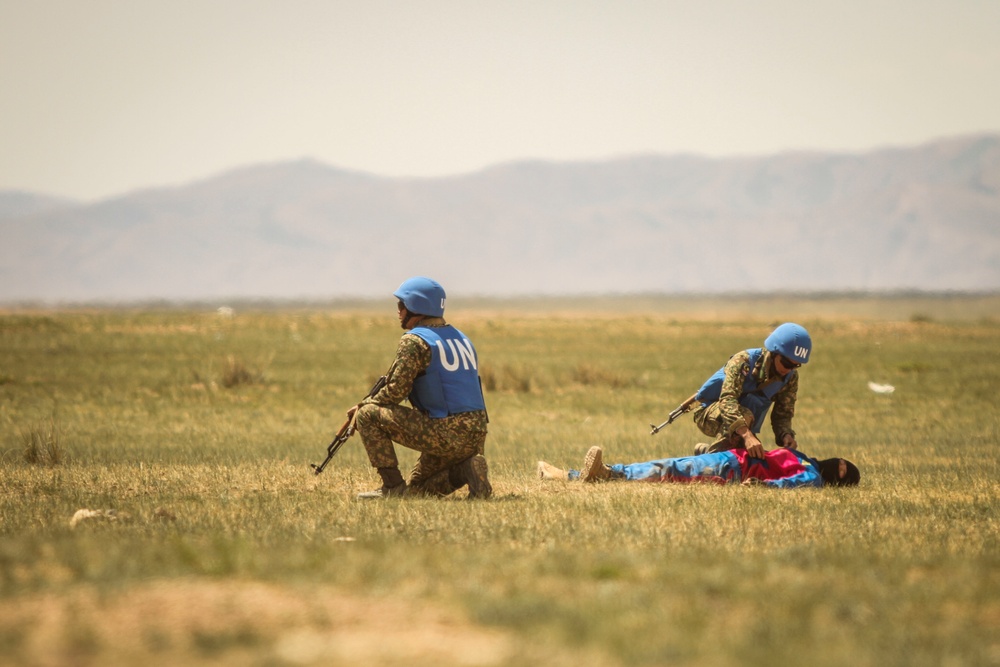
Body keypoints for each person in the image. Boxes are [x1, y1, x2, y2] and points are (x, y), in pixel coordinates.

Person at [349, 277, 491, 499]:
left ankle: (392, 487)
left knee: (367, 415)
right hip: (476, 435)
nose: (398, 311)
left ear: (417, 306)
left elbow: (396, 391)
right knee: (417, 492)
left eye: (401, 305)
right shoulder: (462, 338)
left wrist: (363, 404)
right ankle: (468, 468)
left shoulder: (415, 341)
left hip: (446, 432)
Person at [689, 322, 811, 458]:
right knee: (744, 420)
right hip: (709, 412)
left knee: (754, 455)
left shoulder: (790, 378)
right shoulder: (743, 361)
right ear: (774, 352)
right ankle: (713, 463)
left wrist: (786, 435)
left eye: (796, 366)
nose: (788, 370)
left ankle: (708, 453)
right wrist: (747, 435)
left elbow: (783, 415)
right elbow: (727, 400)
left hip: (744, 422)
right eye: (786, 363)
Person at [537, 445, 860, 488]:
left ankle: (603, 475)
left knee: (668, 471)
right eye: (843, 462)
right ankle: (573, 475)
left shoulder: (815, 475)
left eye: (843, 470)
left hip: (734, 470)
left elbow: (795, 483)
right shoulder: (804, 457)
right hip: (730, 458)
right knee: (670, 466)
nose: (839, 464)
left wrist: (764, 486)